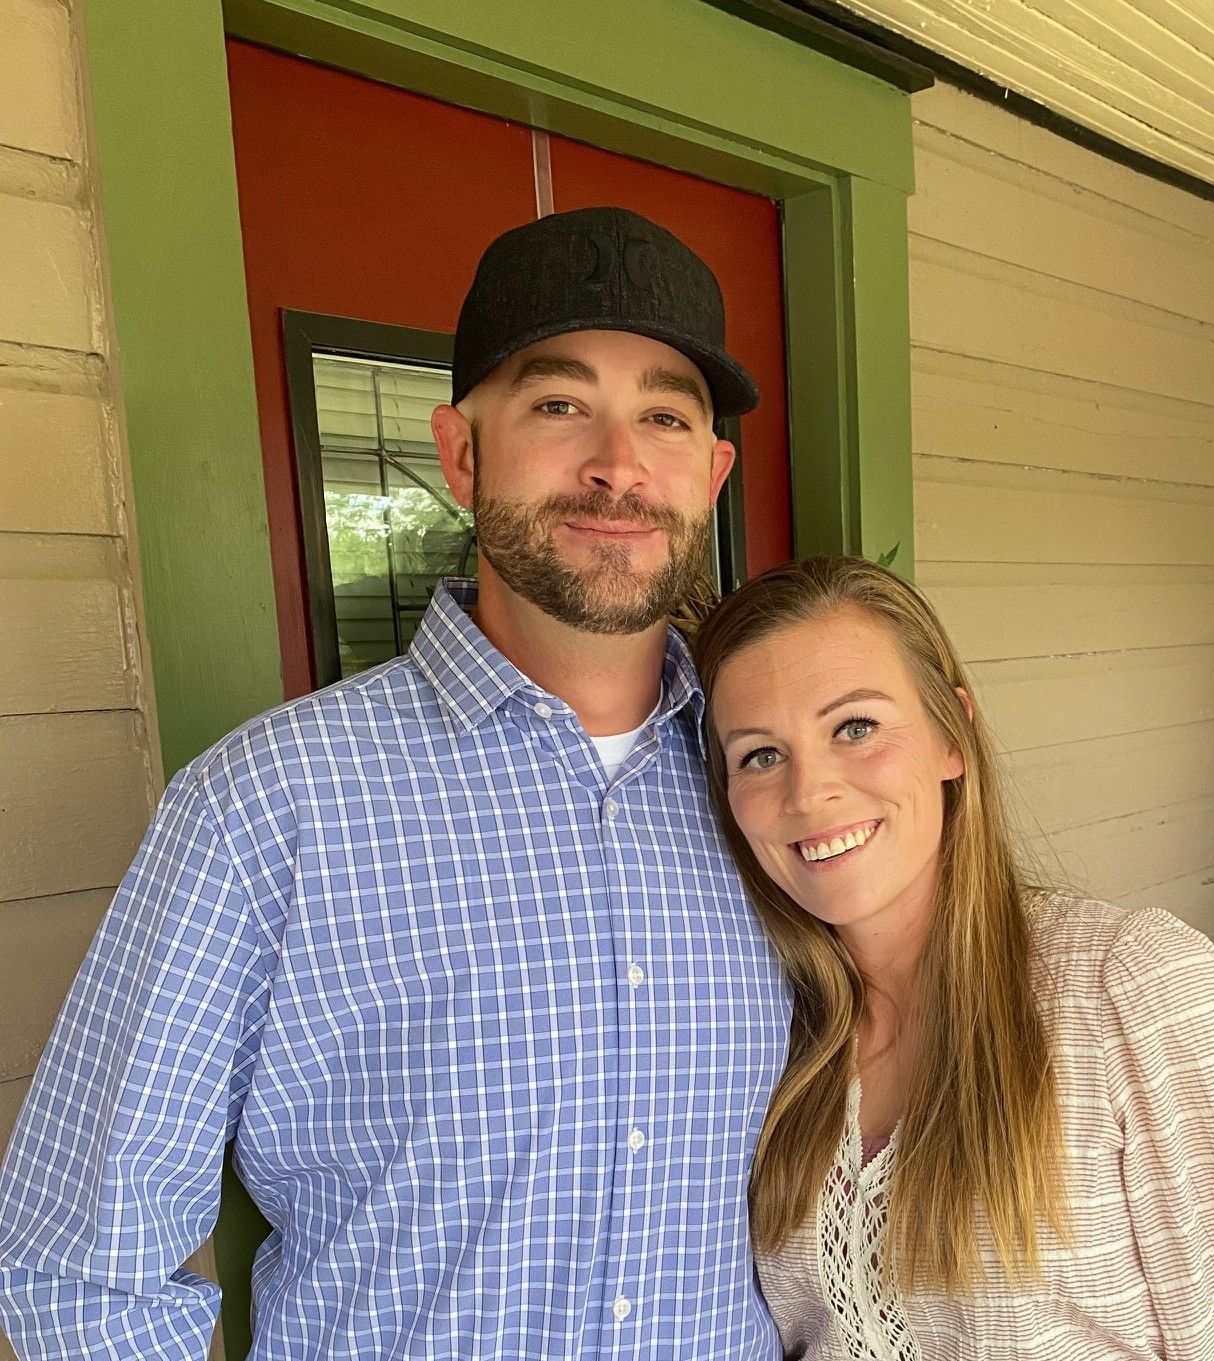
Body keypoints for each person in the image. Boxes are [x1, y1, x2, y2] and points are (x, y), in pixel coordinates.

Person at [0, 207, 791, 1360]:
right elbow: (79, 1262)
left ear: (711, 473)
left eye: (665, 416)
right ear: (461, 453)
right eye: (559, 404)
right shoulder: (265, 804)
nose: (618, 464)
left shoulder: (772, 796)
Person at [691, 554, 1214, 1360]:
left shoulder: (1129, 984)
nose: (809, 790)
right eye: (759, 754)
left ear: (951, 735)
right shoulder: (775, 1038)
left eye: (854, 727)